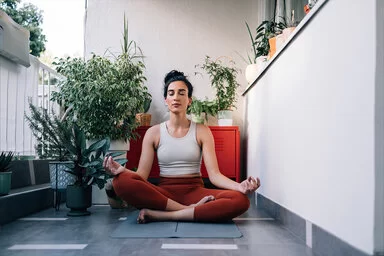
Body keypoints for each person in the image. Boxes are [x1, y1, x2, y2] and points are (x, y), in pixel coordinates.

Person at [103, 70, 260, 223]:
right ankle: (187, 209)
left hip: (195, 191)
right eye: (171, 93)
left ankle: (165, 215)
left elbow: (215, 175)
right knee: (119, 182)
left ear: (189, 100)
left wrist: (240, 186)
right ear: (166, 99)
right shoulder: (153, 133)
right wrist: (123, 171)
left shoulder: (202, 131)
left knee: (240, 200)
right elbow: (142, 175)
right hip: (163, 194)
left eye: (181, 93)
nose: (176, 97)